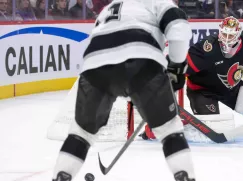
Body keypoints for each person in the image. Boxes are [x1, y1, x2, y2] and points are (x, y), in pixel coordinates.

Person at [51, 0, 195, 181]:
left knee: (81, 133)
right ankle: (186, 177)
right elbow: (178, 26)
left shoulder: (107, 9)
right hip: (141, 60)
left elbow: (107, 48)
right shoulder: (157, 2)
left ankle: (62, 176)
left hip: (94, 65)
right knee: (170, 130)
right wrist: (177, 65)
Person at [141, 17, 243, 141]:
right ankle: (159, 129)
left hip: (231, 88)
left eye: (231, 36)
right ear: (219, 32)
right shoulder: (207, 49)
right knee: (209, 130)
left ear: (238, 35)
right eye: (224, 34)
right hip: (203, 92)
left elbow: (240, 63)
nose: (227, 39)